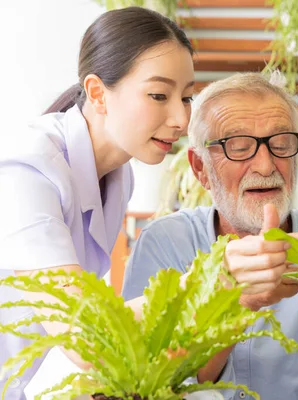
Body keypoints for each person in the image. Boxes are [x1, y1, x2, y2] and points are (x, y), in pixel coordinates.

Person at [122, 72, 298, 400]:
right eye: (239, 147)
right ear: (200, 168)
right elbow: (140, 386)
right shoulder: (164, 245)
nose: (265, 165)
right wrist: (235, 303)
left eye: (281, 144)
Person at [0, 7, 197, 399]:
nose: (181, 119)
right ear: (97, 92)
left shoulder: (119, 176)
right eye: (159, 95)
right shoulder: (26, 169)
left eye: (187, 97)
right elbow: (85, 332)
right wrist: (209, 281)